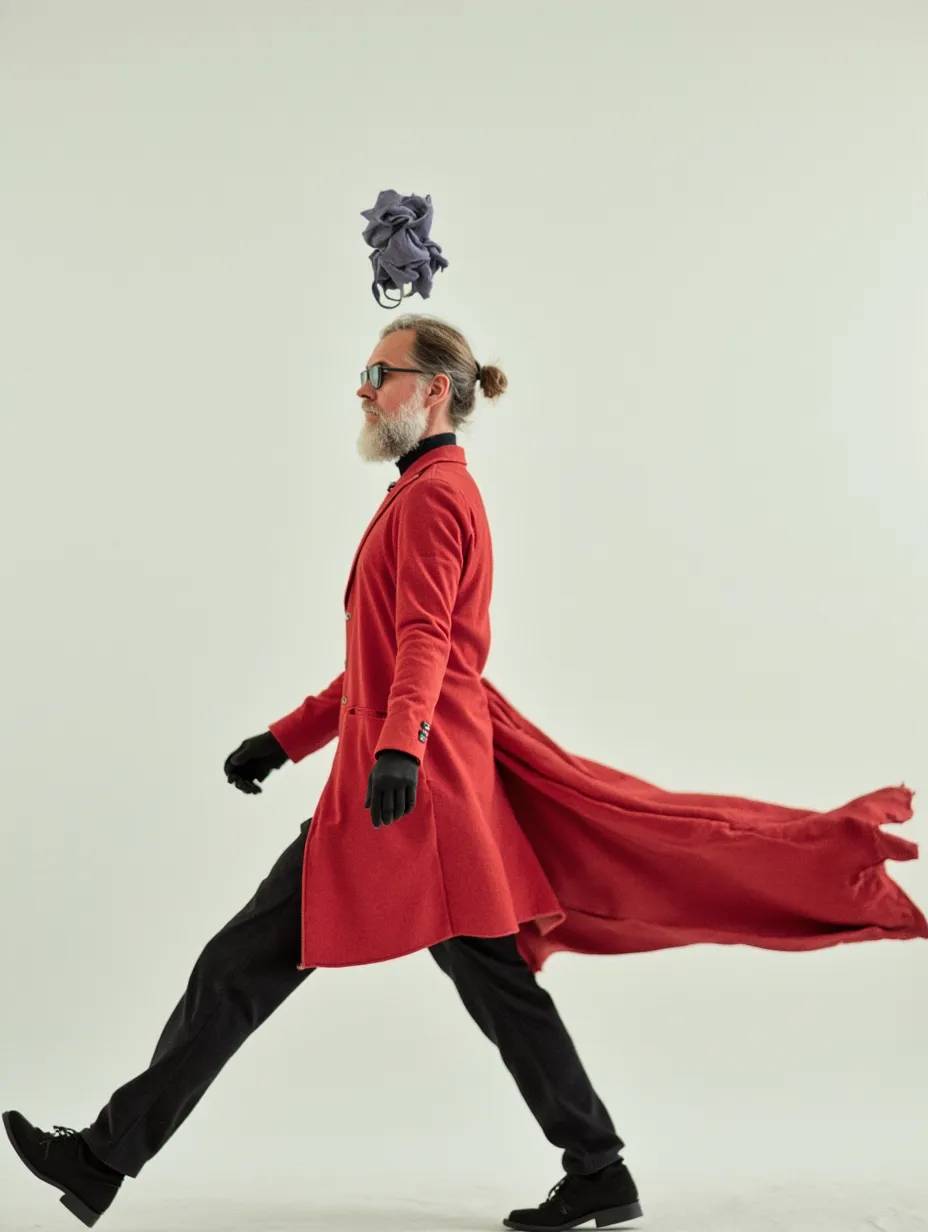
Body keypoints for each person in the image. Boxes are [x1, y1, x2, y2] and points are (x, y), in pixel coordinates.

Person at [3, 315, 643, 1231]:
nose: (362, 389)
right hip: (427, 789)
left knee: (241, 967)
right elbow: (375, 664)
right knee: (495, 989)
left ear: (433, 389)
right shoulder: (424, 489)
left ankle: (103, 1157)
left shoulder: (432, 498)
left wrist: (399, 746)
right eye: (364, 372)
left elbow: (424, 640)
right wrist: (284, 739)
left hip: (410, 797)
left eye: (380, 374)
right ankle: (600, 1170)